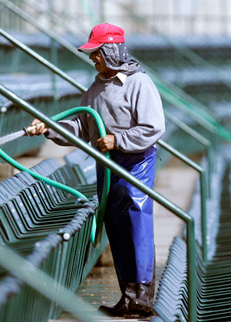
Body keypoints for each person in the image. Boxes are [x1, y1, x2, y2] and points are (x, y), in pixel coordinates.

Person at [27, 23, 165, 317]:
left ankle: (143, 295)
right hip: (107, 164)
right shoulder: (95, 89)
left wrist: (120, 139)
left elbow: (153, 127)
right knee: (114, 225)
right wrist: (48, 128)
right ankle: (127, 296)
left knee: (136, 222)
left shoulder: (140, 84)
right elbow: (79, 126)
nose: (93, 59)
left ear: (112, 51)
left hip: (135, 163)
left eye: (97, 53)